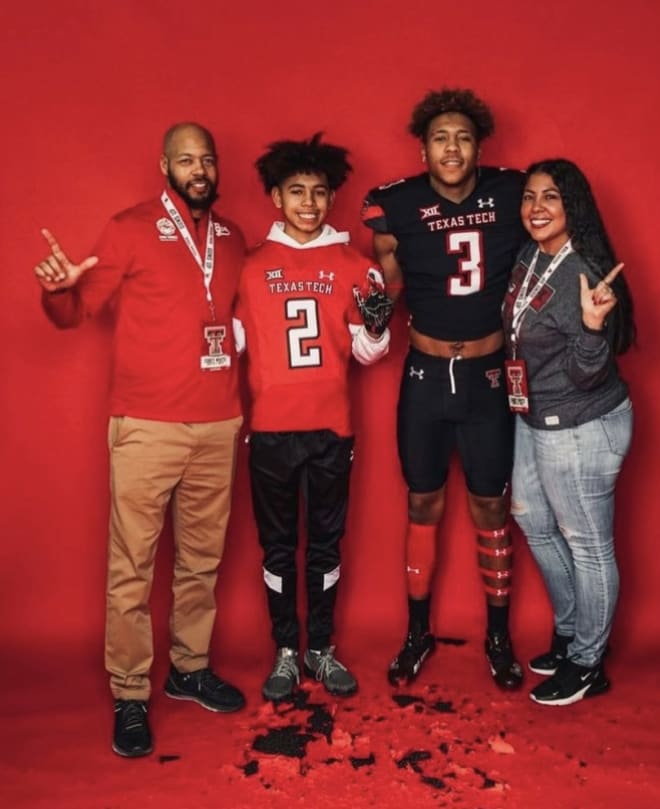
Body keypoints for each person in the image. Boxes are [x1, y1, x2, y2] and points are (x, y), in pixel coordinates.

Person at [33, 123, 247, 757]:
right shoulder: (128, 228)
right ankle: (130, 693)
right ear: (164, 165)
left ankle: (189, 667)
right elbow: (76, 314)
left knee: (201, 562)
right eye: (185, 159)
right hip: (147, 426)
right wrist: (57, 291)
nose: (198, 168)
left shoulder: (234, 237)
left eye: (206, 158)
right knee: (132, 566)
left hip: (218, 423)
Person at [362, 87, 526, 690]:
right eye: (439, 137)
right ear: (423, 148)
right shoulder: (394, 205)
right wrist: (363, 314)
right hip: (427, 376)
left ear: (479, 143)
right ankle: (417, 633)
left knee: (491, 506)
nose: (451, 147)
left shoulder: (513, 192)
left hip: (487, 377)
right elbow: (386, 287)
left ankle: (499, 636)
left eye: (462, 136)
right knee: (422, 503)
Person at [235, 133, 392, 702]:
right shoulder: (247, 266)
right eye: (296, 192)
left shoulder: (355, 264)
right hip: (272, 431)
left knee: (326, 546)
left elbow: (371, 354)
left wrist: (376, 325)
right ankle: (284, 649)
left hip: (331, 429)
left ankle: (320, 648)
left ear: (331, 199)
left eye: (319, 193)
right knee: (277, 550)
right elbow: (227, 343)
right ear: (276, 197)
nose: (308, 203)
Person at [502, 158, 635, 705]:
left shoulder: (582, 269)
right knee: (531, 519)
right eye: (530, 196)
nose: (536, 208)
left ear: (571, 206)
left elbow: (586, 372)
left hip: (581, 423)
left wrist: (593, 325)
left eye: (551, 197)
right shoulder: (533, 255)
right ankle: (574, 629)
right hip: (534, 415)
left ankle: (588, 662)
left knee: (587, 544)